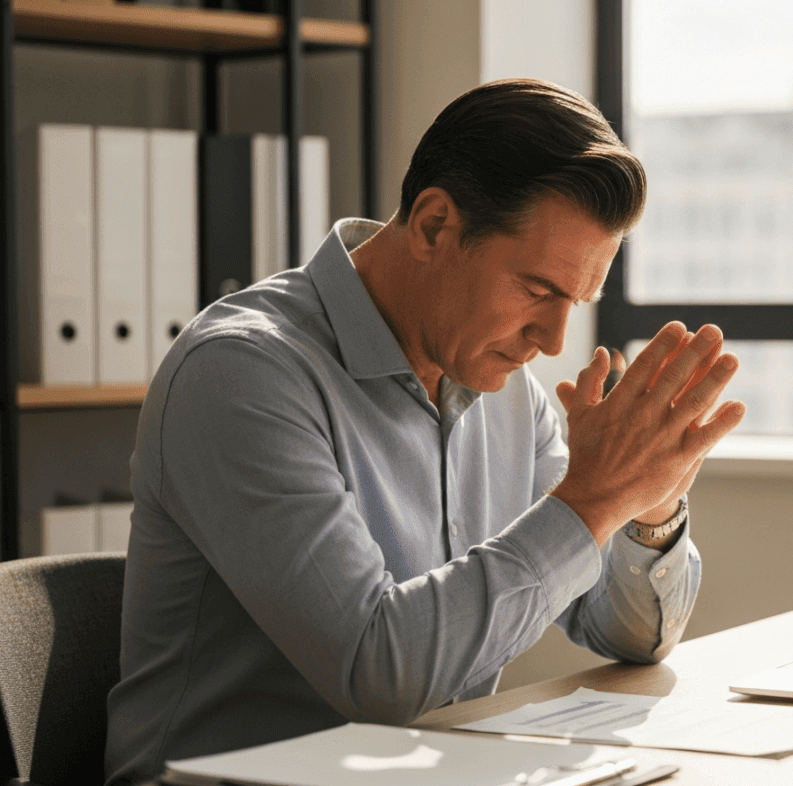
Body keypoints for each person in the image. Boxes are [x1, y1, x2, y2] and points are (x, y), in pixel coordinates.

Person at [104, 78, 744, 785]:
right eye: (537, 290)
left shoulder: (505, 390)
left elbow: (629, 635)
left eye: (578, 301)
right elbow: (376, 675)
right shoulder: (241, 373)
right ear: (436, 225)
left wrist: (646, 506)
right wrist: (592, 501)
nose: (554, 337)